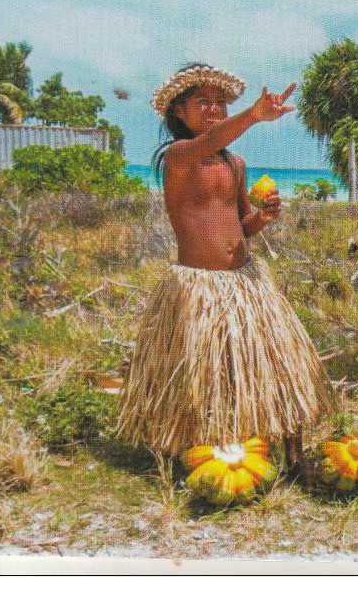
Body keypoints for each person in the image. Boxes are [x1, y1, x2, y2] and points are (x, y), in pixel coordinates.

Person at [117, 64, 334, 473]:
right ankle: (200, 452)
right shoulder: (178, 157)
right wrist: (253, 115)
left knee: (275, 363)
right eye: (203, 102)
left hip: (246, 282)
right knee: (202, 378)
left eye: (221, 102)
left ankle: (290, 452)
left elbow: (240, 224)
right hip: (198, 287)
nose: (214, 109)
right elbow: (213, 138)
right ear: (179, 112)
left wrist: (263, 219)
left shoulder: (234, 163)